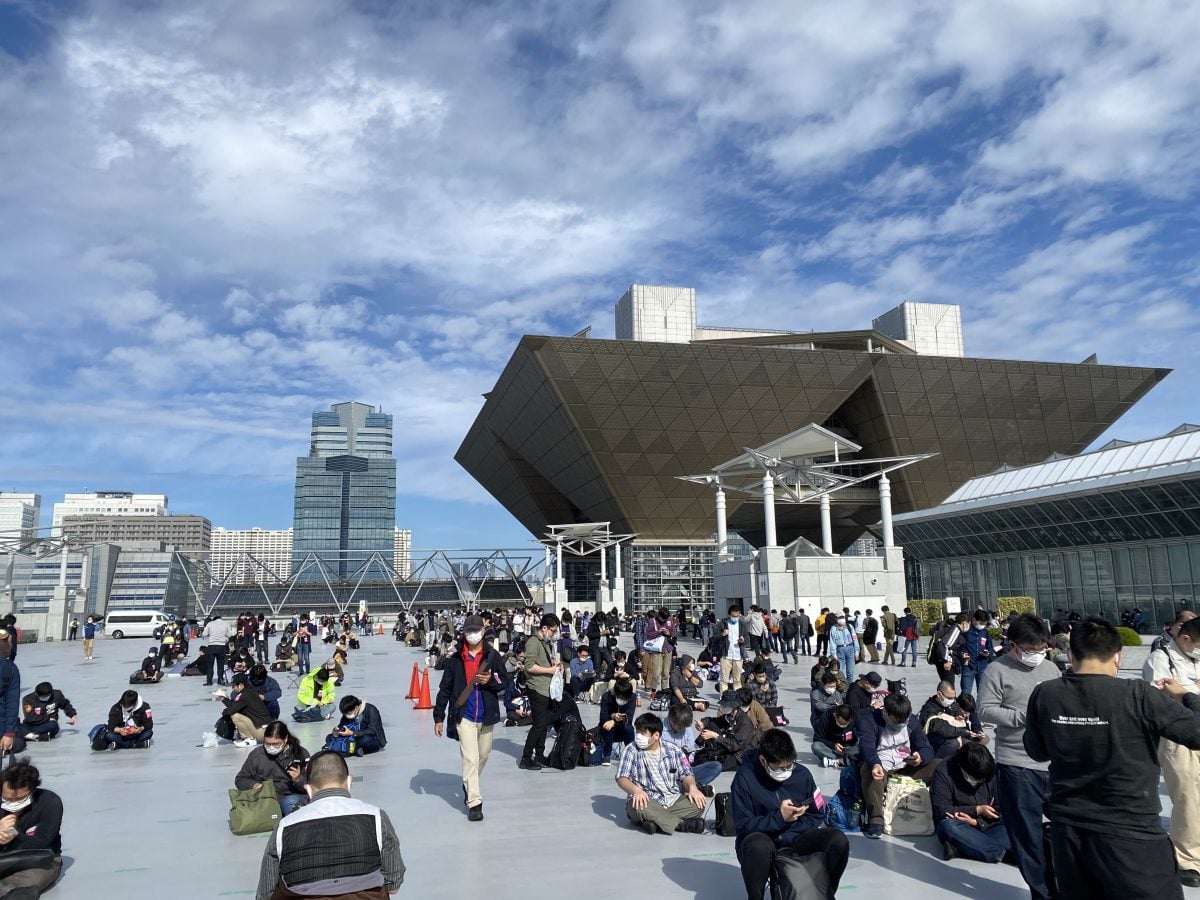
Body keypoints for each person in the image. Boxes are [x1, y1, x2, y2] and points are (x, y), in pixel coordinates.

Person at [1025, 617, 1200, 899]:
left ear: (1070, 655)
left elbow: (1036, 751)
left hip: (1069, 832)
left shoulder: (1046, 694)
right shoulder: (1137, 695)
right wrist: (1187, 695)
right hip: (1132, 834)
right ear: (1118, 656)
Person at [977, 612, 1059, 900]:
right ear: (1012, 644)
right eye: (1029, 650)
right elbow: (985, 710)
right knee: (1028, 838)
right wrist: (1023, 717)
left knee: (1068, 832)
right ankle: (1042, 893)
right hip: (1016, 765)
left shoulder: (1051, 670)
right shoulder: (996, 670)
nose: (1036, 655)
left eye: (1041, 649)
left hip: (1055, 764)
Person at [255, 750, 404, 900]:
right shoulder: (376, 816)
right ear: (349, 782)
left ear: (308, 790)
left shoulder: (285, 826)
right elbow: (393, 884)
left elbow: (266, 891)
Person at [732, 728, 850, 900]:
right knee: (757, 846)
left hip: (796, 837)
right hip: (763, 839)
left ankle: (823, 892)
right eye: (781, 768)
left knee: (838, 840)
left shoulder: (802, 775)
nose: (787, 771)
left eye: (790, 765)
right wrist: (779, 818)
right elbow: (743, 826)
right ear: (763, 760)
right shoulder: (745, 778)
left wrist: (796, 820)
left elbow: (817, 813)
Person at [1144, 615, 1200, 886]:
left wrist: (1184, 690)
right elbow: (1161, 698)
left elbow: (1179, 692)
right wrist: (1191, 692)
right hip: (1178, 738)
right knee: (1187, 797)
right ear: (1185, 639)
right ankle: (1187, 860)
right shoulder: (1160, 659)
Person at [433, 615, 506, 820]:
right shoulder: (455, 659)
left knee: (483, 755)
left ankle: (468, 783)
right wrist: (438, 716)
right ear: (463, 633)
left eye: (476, 630)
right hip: (464, 716)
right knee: (470, 758)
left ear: (483, 632)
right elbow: (444, 689)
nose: (473, 635)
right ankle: (475, 802)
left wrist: (490, 681)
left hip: (487, 715)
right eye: (469, 631)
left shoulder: (492, 656)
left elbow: (504, 682)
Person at [857, 693, 939, 839]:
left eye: (904, 719)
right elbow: (867, 747)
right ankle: (876, 819)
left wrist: (921, 757)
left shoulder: (912, 722)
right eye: (897, 719)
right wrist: (875, 764)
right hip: (882, 768)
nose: (901, 722)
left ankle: (937, 812)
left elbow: (926, 747)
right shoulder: (869, 721)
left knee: (938, 766)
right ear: (886, 713)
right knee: (868, 770)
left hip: (905, 766)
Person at [615, 712, 707, 835]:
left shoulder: (674, 750)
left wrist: (693, 787)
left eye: (642, 733)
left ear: (656, 735)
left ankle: (654, 822)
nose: (638, 736)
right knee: (638, 807)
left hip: (672, 799)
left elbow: (687, 772)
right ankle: (680, 824)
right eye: (637, 732)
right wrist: (636, 791)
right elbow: (622, 778)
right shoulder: (631, 750)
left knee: (698, 804)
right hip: (646, 800)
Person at [931, 740, 1011, 863]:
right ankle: (1005, 855)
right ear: (963, 768)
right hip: (961, 826)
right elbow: (942, 810)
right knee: (947, 826)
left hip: (988, 824)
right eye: (977, 779)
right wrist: (977, 810)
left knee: (1013, 823)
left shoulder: (990, 770)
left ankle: (961, 849)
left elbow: (1003, 807)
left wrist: (976, 822)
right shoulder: (943, 772)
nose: (982, 781)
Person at [0, 757, 63, 896]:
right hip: (4, 857)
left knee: (17, 887)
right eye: (7, 798)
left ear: (32, 790)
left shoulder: (50, 802)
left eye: (19, 799)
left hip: (39, 859)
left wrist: (14, 835)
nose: (12, 803)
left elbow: (42, 843)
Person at [235, 722, 310, 816]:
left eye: (276, 744)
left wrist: (298, 779)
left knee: (293, 802)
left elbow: (313, 785)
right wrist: (253, 785)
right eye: (267, 743)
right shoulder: (257, 755)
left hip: (293, 797)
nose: (271, 747)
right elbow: (240, 779)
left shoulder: (300, 754)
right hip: (265, 799)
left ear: (285, 739)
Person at [518, 613, 561, 771]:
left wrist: (554, 666)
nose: (553, 633)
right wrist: (550, 670)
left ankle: (540, 754)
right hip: (537, 688)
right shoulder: (533, 642)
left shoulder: (545, 643)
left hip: (546, 688)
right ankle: (526, 757)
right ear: (544, 628)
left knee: (543, 725)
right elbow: (529, 666)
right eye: (552, 630)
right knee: (538, 724)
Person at [662, 703, 722, 792]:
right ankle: (693, 787)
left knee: (716, 766)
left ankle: (687, 786)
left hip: (683, 770)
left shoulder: (687, 730)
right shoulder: (659, 729)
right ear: (671, 720)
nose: (682, 729)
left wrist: (687, 760)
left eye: (684, 727)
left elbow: (691, 753)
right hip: (665, 771)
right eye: (680, 726)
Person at [696, 690, 760, 771]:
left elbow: (736, 746)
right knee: (711, 725)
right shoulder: (729, 716)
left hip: (739, 755)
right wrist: (702, 723)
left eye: (725, 705)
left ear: (734, 706)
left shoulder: (744, 723)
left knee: (714, 766)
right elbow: (713, 721)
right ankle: (706, 750)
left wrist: (715, 736)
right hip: (728, 748)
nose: (723, 707)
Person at [221, 674, 271, 747]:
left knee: (235, 716)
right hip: (265, 729)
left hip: (262, 732)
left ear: (240, 685)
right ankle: (249, 738)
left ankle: (250, 739)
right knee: (237, 714)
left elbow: (231, 710)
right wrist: (223, 699)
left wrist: (224, 712)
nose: (233, 688)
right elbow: (235, 705)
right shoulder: (248, 692)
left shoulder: (245, 695)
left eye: (233, 686)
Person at [597, 679, 637, 765]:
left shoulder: (633, 697)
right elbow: (603, 717)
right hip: (608, 731)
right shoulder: (606, 697)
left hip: (623, 729)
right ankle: (606, 755)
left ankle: (631, 753)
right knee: (607, 726)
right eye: (622, 697)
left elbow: (629, 718)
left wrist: (614, 722)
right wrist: (613, 716)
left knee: (629, 728)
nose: (624, 699)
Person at [812, 704, 858, 768]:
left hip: (849, 747)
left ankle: (838, 761)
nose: (843, 726)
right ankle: (846, 760)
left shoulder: (855, 716)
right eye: (841, 723)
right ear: (835, 715)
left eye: (846, 724)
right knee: (816, 746)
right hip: (832, 749)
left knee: (862, 746)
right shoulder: (826, 717)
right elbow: (817, 738)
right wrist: (833, 745)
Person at [931, 614, 969, 690]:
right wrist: (945, 661)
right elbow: (944, 644)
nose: (968, 626)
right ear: (964, 623)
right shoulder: (956, 630)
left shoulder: (953, 629)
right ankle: (949, 700)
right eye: (968, 623)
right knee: (949, 687)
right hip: (946, 663)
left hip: (945, 662)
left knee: (947, 686)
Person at [960, 611, 994, 696]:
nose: (982, 625)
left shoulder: (985, 633)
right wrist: (962, 654)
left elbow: (990, 647)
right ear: (974, 620)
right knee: (966, 693)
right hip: (969, 666)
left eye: (984, 624)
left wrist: (988, 653)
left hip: (982, 665)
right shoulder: (966, 632)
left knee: (983, 693)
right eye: (980, 623)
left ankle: (980, 709)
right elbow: (959, 646)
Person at [718, 605, 747, 693]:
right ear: (729, 614)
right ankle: (724, 700)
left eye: (737, 616)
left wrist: (743, 640)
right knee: (724, 680)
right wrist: (722, 634)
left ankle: (738, 700)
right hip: (726, 655)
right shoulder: (722, 624)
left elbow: (747, 639)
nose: (735, 618)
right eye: (733, 616)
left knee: (737, 680)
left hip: (738, 655)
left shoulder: (742, 624)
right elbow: (714, 638)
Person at [200, 614, 231, 687]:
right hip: (221, 646)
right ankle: (220, 680)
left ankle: (209, 681)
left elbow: (204, 634)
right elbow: (229, 635)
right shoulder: (225, 624)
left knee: (210, 665)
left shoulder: (210, 624)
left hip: (212, 646)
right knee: (220, 665)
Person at [829, 614, 857, 681]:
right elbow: (832, 642)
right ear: (836, 618)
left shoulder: (850, 627)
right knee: (839, 671)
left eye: (842, 617)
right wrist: (834, 655)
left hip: (850, 649)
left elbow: (855, 639)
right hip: (840, 650)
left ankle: (849, 687)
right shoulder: (833, 629)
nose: (841, 619)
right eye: (839, 617)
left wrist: (857, 652)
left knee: (850, 672)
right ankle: (840, 687)